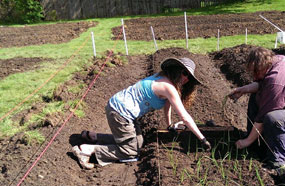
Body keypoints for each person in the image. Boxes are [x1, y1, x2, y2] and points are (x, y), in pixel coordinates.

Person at [72, 57, 211, 169]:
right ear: (176, 70)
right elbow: (184, 117)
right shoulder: (168, 87)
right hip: (120, 113)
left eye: (189, 77)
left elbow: (167, 105)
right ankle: (86, 150)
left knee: (139, 142)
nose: (186, 78)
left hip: (119, 108)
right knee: (131, 152)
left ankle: (93, 137)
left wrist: (169, 125)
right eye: (184, 73)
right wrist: (202, 139)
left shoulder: (163, 79)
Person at [229, 47, 285, 169]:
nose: (254, 76)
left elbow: (264, 115)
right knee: (256, 97)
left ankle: (281, 160)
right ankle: (258, 143)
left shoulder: (276, 80)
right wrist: (243, 90)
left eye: (256, 72)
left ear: (264, 65)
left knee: (274, 119)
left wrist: (247, 141)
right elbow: (261, 84)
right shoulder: (277, 61)